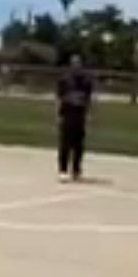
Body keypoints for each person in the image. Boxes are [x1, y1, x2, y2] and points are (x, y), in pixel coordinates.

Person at [56, 53, 93, 182]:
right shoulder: (64, 80)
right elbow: (59, 98)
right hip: (67, 113)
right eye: (74, 63)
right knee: (65, 144)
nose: (76, 65)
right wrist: (58, 114)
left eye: (78, 63)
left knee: (79, 145)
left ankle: (76, 169)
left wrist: (88, 114)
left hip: (80, 114)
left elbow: (88, 100)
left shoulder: (86, 81)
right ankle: (63, 170)